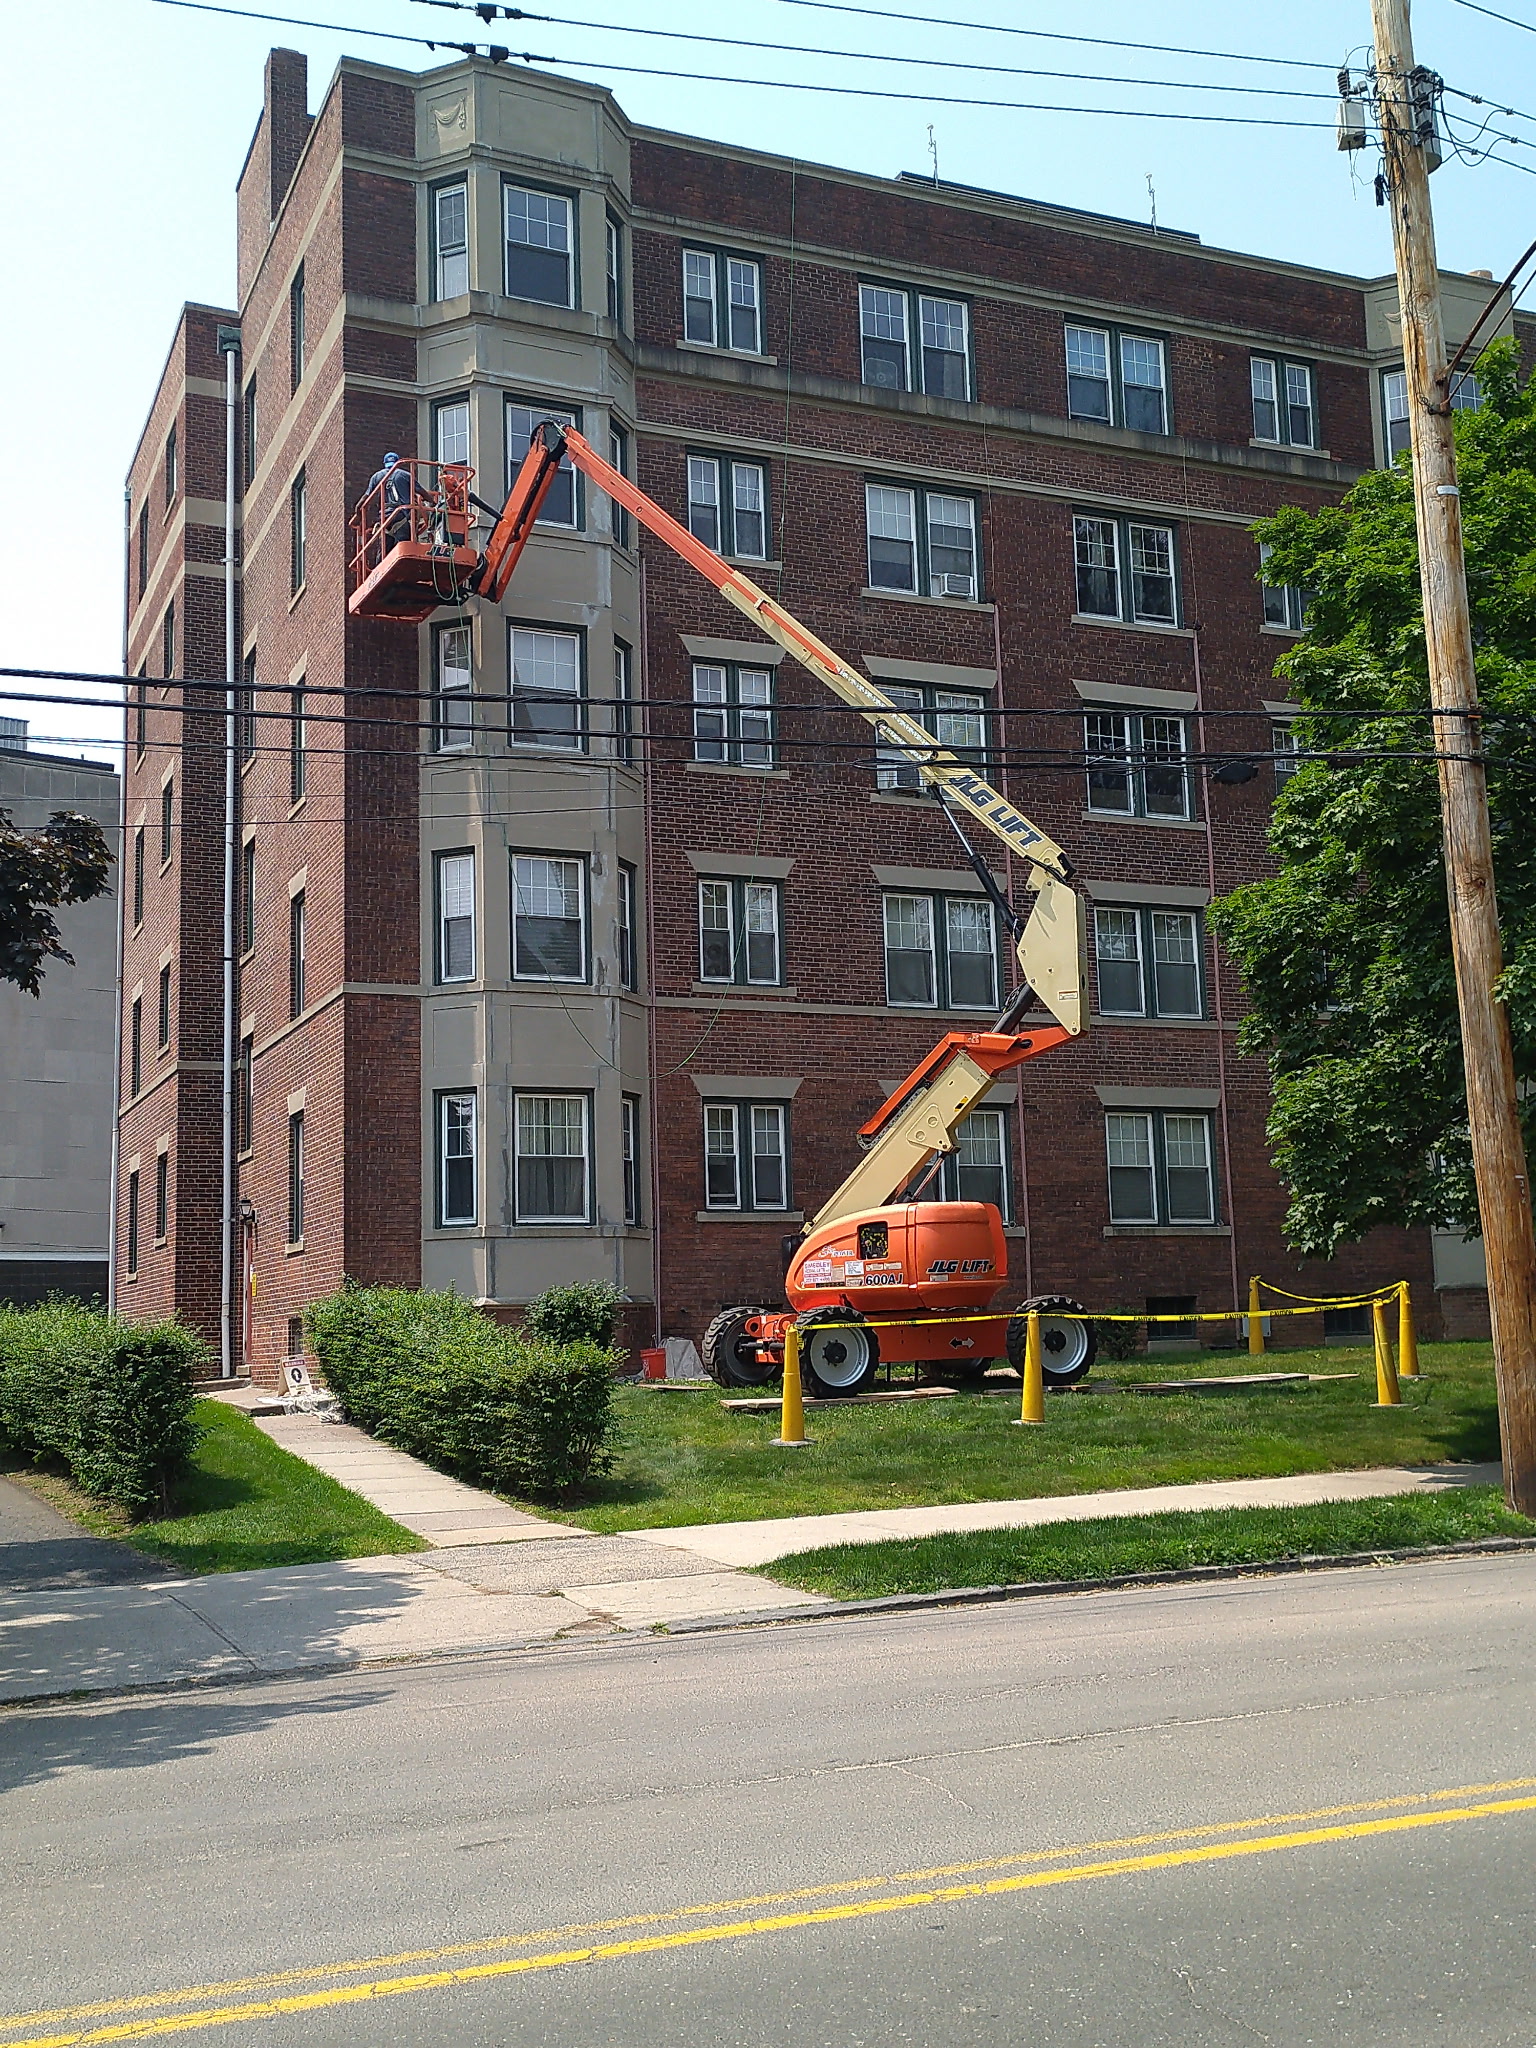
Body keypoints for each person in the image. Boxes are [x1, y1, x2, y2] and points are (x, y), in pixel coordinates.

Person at [366, 451, 415, 542]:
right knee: (404, 542)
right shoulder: (404, 475)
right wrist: (433, 502)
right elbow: (421, 491)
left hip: (384, 516)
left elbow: (366, 497)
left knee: (386, 545)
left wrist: (358, 510)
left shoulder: (376, 476)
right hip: (400, 514)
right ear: (398, 462)